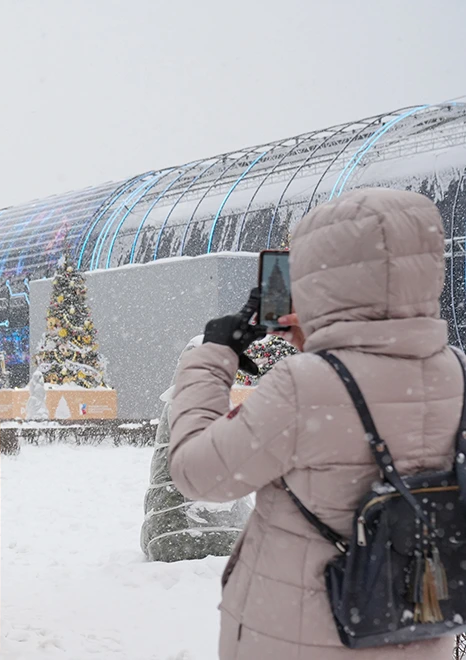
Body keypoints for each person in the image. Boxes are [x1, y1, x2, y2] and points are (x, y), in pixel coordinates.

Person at [168, 188, 459, 659]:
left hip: (299, 637)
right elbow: (376, 390)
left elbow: (197, 473)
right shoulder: (458, 372)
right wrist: (320, 342)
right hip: (419, 630)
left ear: (320, 280)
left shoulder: (304, 388)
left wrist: (213, 355)